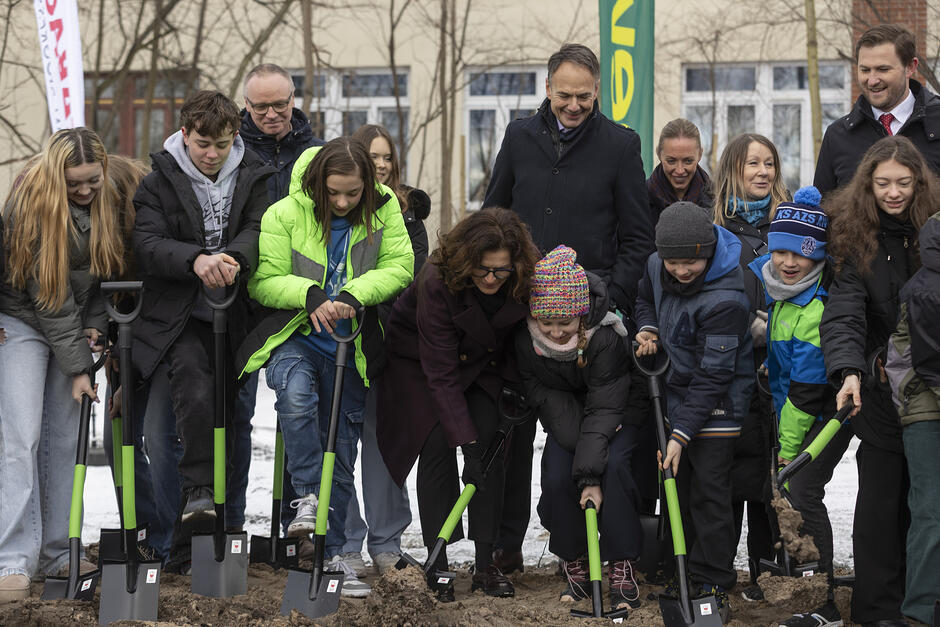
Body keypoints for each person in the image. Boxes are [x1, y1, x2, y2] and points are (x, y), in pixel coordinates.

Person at [482, 42, 652, 575]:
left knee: (584, 434)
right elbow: (493, 215)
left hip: (587, 320)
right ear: (548, 88)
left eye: (584, 96)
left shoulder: (620, 145)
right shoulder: (519, 136)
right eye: (564, 95)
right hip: (521, 310)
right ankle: (507, 542)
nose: (574, 105)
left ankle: (589, 545)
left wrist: (605, 300)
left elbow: (637, 237)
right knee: (514, 430)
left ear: (597, 90)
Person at [236, 137, 414, 597]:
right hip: (297, 337)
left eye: (353, 193)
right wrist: (308, 294)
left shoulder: (384, 210)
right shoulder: (284, 214)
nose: (342, 202)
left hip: (350, 348)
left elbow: (401, 265)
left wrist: (356, 293)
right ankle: (308, 497)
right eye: (333, 192)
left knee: (340, 448)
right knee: (296, 399)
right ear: (317, 183)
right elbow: (263, 281)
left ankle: (334, 556)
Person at [132, 90, 274, 571]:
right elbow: (147, 244)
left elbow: (260, 227)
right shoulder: (158, 181)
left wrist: (235, 257)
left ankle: (225, 531)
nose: (211, 154)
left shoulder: (254, 175)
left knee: (232, 423)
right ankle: (191, 510)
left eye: (221, 144)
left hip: (237, 315)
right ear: (184, 134)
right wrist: (195, 259)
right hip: (179, 316)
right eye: (202, 144)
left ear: (235, 136)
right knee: (188, 398)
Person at [376, 208, 540, 600]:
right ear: (467, 260)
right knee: (436, 443)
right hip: (421, 363)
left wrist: (511, 394)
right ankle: (439, 563)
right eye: (483, 269)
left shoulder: (523, 277)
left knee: (491, 448)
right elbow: (441, 372)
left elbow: (520, 336)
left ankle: (486, 563)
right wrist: (465, 444)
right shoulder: (438, 280)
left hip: (484, 364)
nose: (491, 279)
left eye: (500, 271)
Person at [0, 127, 124, 603]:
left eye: (93, 180)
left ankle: (58, 551)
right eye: (74, 183)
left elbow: (101, 275)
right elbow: (49, 296)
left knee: (64, 439)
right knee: (21, 437)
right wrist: (79, 368)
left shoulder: (107, 200)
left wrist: (94, 325)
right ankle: (13, 557)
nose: (86, 190)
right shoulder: (31, 203)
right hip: (23, 320)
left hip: (69, 324)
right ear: (55, 177)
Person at [822, 135, 939, 626]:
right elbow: (844, 312)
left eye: (904, 183)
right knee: (879, 506)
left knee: (927, 506)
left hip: (931, 384)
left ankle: (922, 605)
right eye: (884, 183)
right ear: (868, 184)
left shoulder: (934, 230)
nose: (894, 193)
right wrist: (850, 369)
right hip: (878, 386)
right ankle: (876, 611)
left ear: (919, 183)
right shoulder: (853, 237)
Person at [634, 202, 755, 622]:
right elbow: (643, 298)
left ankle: (714, 578)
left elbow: (714, 376)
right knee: (679, 489)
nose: (682, 271)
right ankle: (685, 571)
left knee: (709, 494)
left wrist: (681, 434)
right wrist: (648, 328)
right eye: (674, 263)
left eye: (692, 263)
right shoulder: (656, 265)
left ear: (708, 252)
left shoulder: (727, 298)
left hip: (719, 402)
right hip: (675, 395)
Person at [747, 186, 853, 627]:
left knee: (802, 488)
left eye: (802, 253)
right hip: (796, 407)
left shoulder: (813, 308)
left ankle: (823, 601)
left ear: (819, 255)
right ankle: (797, 579)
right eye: (781, 252)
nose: (789, 262)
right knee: (789, 489)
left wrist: (788, 451)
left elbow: (807, 393)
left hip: (827, 413)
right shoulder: (784, 295)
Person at [515, 245, 641, 610]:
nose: (555, 332)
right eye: (547, 323)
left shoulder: (605, 337)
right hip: (568, 417)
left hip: (617, 411)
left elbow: (605, 405)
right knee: (557, 475)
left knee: (614, 469)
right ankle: (576, 559)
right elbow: (542, 392)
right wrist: (584, 468)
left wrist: (590, 475)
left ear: (582, 315)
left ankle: (621, 562)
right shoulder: (526, 341)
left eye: (565, 323)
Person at [237, 63, 325, 539]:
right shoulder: (230, 152)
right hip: (239, 300)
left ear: (294, 99)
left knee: (299, 408)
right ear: (245, 105)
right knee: (234, 416)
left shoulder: (317, 154)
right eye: (260, 106)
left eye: (280, 104)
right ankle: (229, 523)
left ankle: (299, 521)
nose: (272, 114)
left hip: (301, 300)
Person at [337, 124, 430, 576]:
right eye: (371, 156)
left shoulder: (408, 216)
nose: (380, 165)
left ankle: (387, 542)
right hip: (341, 339)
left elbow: (413, 278)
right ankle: (346, 541)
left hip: (389, 344)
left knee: (384, 443)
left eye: (386, 156)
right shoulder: (332, 213)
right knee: (338, 444)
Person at [712, 133, 788, 595]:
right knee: (729, 473)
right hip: (732, 367)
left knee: (772, 471)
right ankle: (718, 572)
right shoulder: (715, 229)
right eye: (752, 163)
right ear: (732, 170)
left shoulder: (790, 223)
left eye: (769, 163)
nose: (763, 172)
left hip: (781, 367)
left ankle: (769, 570)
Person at [885, 210, 940, 627]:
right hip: (924, 403)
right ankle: (920, 610)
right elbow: (931, 365)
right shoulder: (927, 291)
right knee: (930, 509)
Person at [815, 24, 940, 194]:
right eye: (865, 70)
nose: (872, 80)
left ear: (910, 67)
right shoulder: (837, 136)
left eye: (883, 69)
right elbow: (823, 207)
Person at [647, 118, 713, 223]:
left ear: (700, 154)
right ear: (659, 154)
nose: (680, 170)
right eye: (671, 161)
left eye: (688, 161)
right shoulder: (640, 199)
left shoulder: (718, 200)